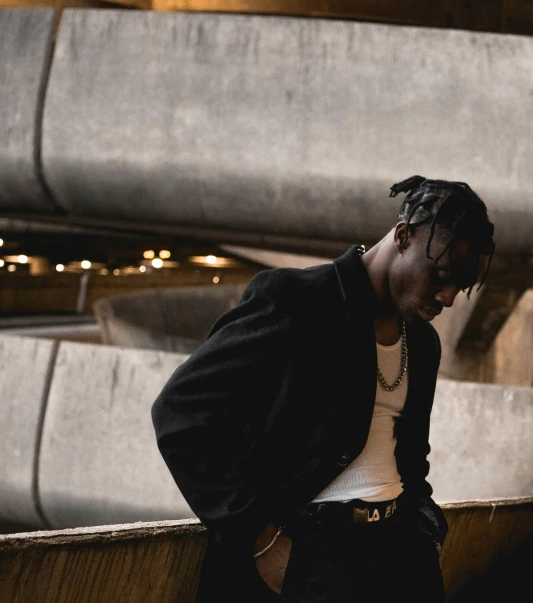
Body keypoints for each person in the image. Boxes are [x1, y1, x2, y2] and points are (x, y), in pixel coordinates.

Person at [151, 175, 495, 602]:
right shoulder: (295, 302)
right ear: (403, 236)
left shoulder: (422, 342)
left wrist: (425, 529)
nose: (445, 297)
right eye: (440, 275)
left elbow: (410, 454)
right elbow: (180, 413)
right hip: (310, 551)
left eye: (458, 289)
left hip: (401, 554)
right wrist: (259, 538)